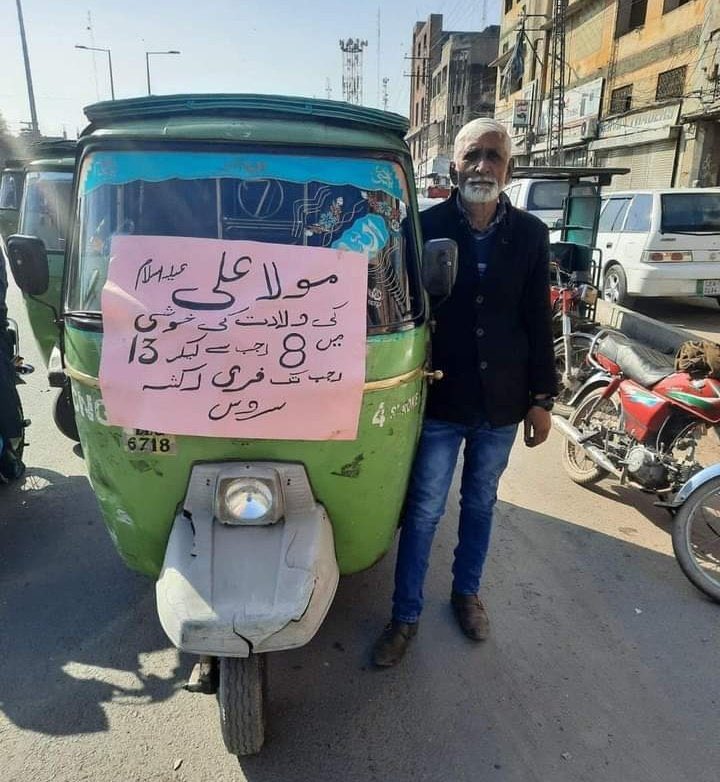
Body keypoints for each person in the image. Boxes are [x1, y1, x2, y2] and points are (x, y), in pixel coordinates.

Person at [372, 118, 557, 667]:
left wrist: (542, 398)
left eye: (494, 156)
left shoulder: (529, 234)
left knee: (480, 503)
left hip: (502, 401)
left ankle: (466, 594)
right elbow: (398, 308)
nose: (483, 165)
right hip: (440, 398)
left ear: (510, 168)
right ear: (454, 165)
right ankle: (404, 616)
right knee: (424, 508)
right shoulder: (423, 228)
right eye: (472, 155)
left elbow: (536, 318)